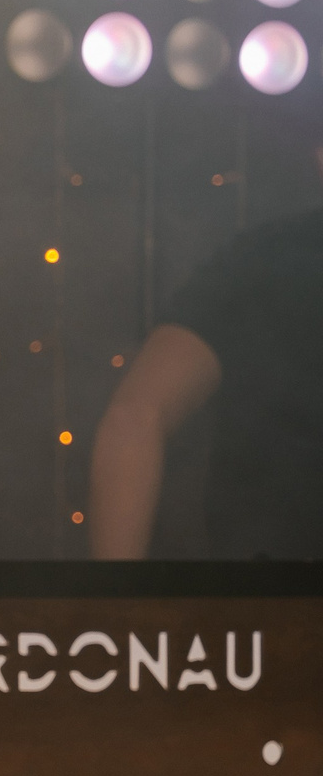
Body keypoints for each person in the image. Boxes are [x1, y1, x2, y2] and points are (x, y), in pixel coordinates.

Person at [89, 179, 323, 560]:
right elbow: (134, 418)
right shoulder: (267, 260)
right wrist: (116, 604)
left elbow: (133, 417)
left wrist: (115, 605)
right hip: (269, 590)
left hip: (264, 591)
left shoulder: (264, 257)